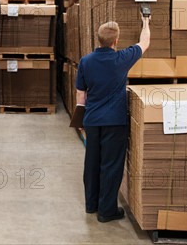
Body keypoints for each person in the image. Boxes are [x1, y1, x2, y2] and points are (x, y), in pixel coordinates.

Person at [75, 17, 150, 222]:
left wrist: (79, 119)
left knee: (92, 162)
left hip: (92, 120)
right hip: (114, 122)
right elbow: (145, 43)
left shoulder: (86, 61)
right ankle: (106, 210)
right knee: (111, 165)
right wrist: (145, 23)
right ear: (116, 41)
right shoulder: (122, 59)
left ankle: (91, 205)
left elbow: (81, 95)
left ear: (98, 40)